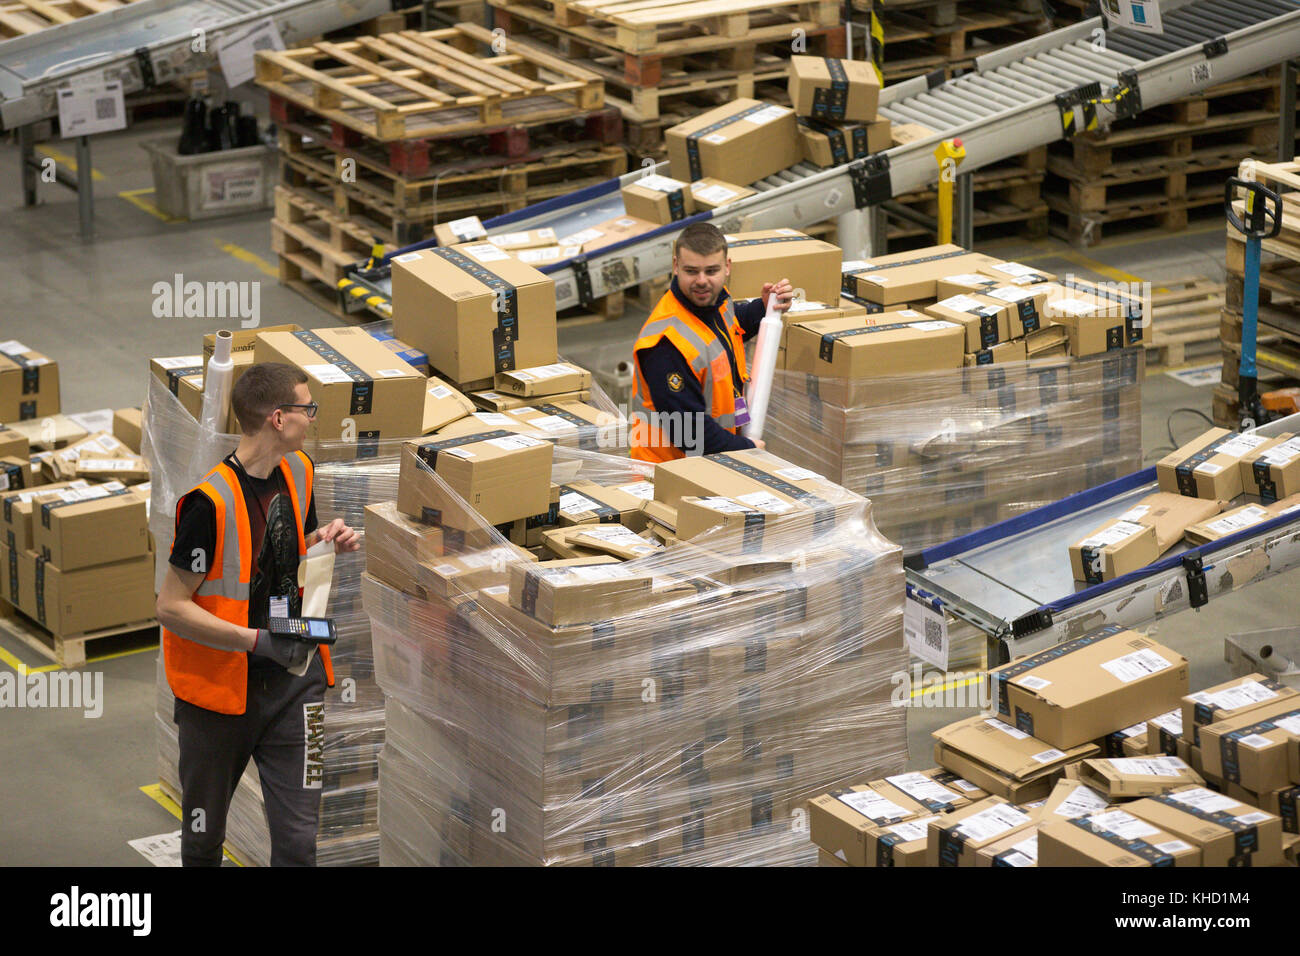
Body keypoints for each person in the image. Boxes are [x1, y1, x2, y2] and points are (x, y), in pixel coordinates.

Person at [155, 362, 360, 867]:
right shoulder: (208, 503)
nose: (312, 418)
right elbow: (170, 606)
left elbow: (279, 555)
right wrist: (253, 641)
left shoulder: (299, 470)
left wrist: (325, 542)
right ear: (277, 418)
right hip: (220, 695)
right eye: (306, 408)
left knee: (297, 844)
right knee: (204, 838)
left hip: (294, 680)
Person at [630, 222, 793, 462]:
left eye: (711, 271)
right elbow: (690, 433)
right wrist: (745, 447)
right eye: (692, 271)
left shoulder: (713, 302)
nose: (702, 281)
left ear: (727, 267)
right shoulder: (666, 345)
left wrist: (766, 306)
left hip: (707, 462)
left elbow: (729, 328)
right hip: (670, 473)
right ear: (676, 266)